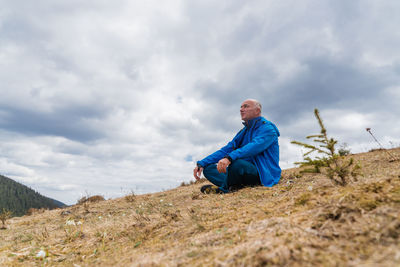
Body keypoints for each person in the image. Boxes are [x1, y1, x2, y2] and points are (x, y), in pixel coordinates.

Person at [193, 99, 281, 194]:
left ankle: (223, 189)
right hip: (241, 172)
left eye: (246, 106)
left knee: (237, 164)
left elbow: (253, 147)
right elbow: (226, 149)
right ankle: (232, 186)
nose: (241, 109)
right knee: (209, 169)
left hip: (262, 173)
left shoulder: (268, 129)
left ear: (257, 111)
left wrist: (229, 158)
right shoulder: (243, 131)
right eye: (241, 107)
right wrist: (202, 163)